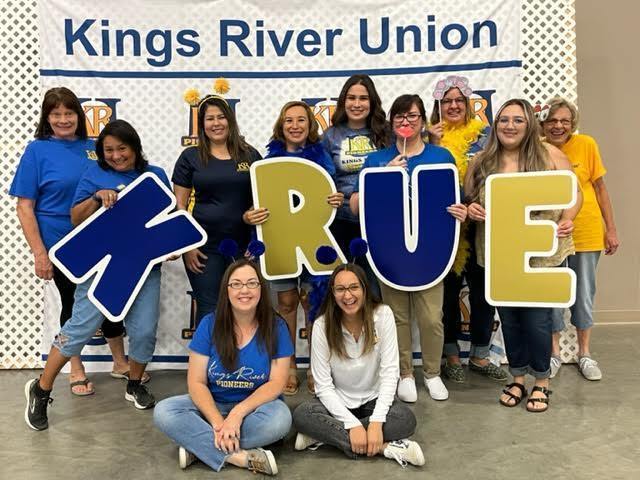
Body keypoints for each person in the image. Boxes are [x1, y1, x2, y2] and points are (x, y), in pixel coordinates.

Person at [24, 119, 171, 430]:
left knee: (144, 331)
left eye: (122, 149)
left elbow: (167, 218)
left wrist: (171, 246)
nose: (116, 156)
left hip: (144, 267)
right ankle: (41, 389)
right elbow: (75, 219)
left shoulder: (155, 175)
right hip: (101, 267)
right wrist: (96, 198)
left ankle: (134, 384)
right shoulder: (94, 174)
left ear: (135, 148)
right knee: (79, 327)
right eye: (109, 150)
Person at [10, 87, 130, 397]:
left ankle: (120, 362)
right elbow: (24, 207)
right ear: (46, 117)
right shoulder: (37, 150)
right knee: (74, 304)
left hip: (102, 238)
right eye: (56, 114)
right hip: (61, 243)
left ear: (79, 115)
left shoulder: (94, 148)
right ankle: (75, 367)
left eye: (69, 113)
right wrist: (40, 254)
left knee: (110, 297)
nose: (63, 119)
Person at [465, 99, 582, 412]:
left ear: (530, 124)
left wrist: (567, 217)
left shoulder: (550, 155)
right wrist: (472, 209)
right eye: (504, 119)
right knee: (510, 321)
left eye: (518, 120)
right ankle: (517, 377)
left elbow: (575, 193)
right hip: (500, 254)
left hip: (540, 255)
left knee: (537, 322)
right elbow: (470, 199)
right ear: (496, 125)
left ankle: (541, 381)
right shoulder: (482, 161)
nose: (510, 126)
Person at [350, 94, 468, 402]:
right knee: (396, 317)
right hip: (390, 250)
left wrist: (462, 211)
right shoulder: (376, 159)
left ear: (423, 121)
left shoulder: (441, 157)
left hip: (430, 251)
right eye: (400, 116)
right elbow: (355, 206)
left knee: (431, 318)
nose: (406, 121)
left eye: (412, 116)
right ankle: (404, 373)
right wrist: (384, 176)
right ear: (391, 122)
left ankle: (432, 372)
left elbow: (455, 200)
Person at [154, 259, 293, 475]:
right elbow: (196, 382)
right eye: (236, 284)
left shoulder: (277, 326)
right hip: (213, 405)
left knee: (280, 420)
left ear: (261, 289)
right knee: (165, 411)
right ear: (226, 290)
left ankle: (198, 447)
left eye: (251, 283)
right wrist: (219, 422)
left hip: (255, 409)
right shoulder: (209, 323)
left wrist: (237, 414)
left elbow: (276, 384)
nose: (244, 290)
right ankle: (238, 457)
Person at [293, 263, 425, 467]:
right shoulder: (322, 325)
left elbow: (390, 373)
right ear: (332, 293)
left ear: (364, 289)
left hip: (373, 400)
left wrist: (376, 421)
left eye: (354, 287)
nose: (348, 296)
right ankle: (385, 447)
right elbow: (323, 387)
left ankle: (325, 436)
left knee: (405, 419)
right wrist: (352, 425)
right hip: (338, 402)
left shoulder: (383, 315)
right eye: (340, 289)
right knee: (302, 415)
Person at [254, 100, 343, 396]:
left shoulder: (322, 157)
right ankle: (288, 365)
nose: (295, 126)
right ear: (281, 126)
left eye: (301, 120)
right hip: (280, 241)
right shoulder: (269, 161)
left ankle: (316, 367)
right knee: (286, 303)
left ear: (310, 124)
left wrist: (336, 199)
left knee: (313, 305)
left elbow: (330, 195)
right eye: (289, 120)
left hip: (312, 240)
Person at [427, 77, 507, 383]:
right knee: (447, 296)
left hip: (481, 223)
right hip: (445, 227)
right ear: (438, 106)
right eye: (447, 101)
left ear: (468, 104)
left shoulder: (485, 136)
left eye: (459, 100)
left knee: (484, 294)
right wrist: (434, 144)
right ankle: (451, 357)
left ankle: (480, 355)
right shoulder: (429, 137)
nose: (453, 106)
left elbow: (498, 175)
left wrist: (475, 205)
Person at [541, 97, 620, 380]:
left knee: (583, 295)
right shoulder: (537, 149)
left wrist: (611, 228)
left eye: (564, 121)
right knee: (553, 295)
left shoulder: (586, 144)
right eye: (552, 120)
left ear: (573, 123)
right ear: (543, 124)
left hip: (586, 232)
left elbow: (600, 188)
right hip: (550, 233)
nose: (558, 126)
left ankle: (584, 354)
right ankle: (554, 354)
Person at [173, 95, 262, 327]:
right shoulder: (190, 157)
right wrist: (188, 245)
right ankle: (207, 352)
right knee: (209, 310)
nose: (216, 123)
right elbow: (180, 206)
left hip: (244, 248)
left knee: (245, 309)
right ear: (201, 124)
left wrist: (254, 223)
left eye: (221, 117)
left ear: (230, 120)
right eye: (210, 118)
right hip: (204, 248)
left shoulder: (250, 155)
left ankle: (243, 352)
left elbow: (262, 199)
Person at [322, 74, 390, 297]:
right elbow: (322, 177)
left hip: (380, 222)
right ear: (343, 101)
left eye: (363, 98)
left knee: (376, 291)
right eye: (351, 98)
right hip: (342, 222)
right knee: (346, 291)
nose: (357, 104)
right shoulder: (330, 136)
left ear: (372, 102)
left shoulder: (387, 133)